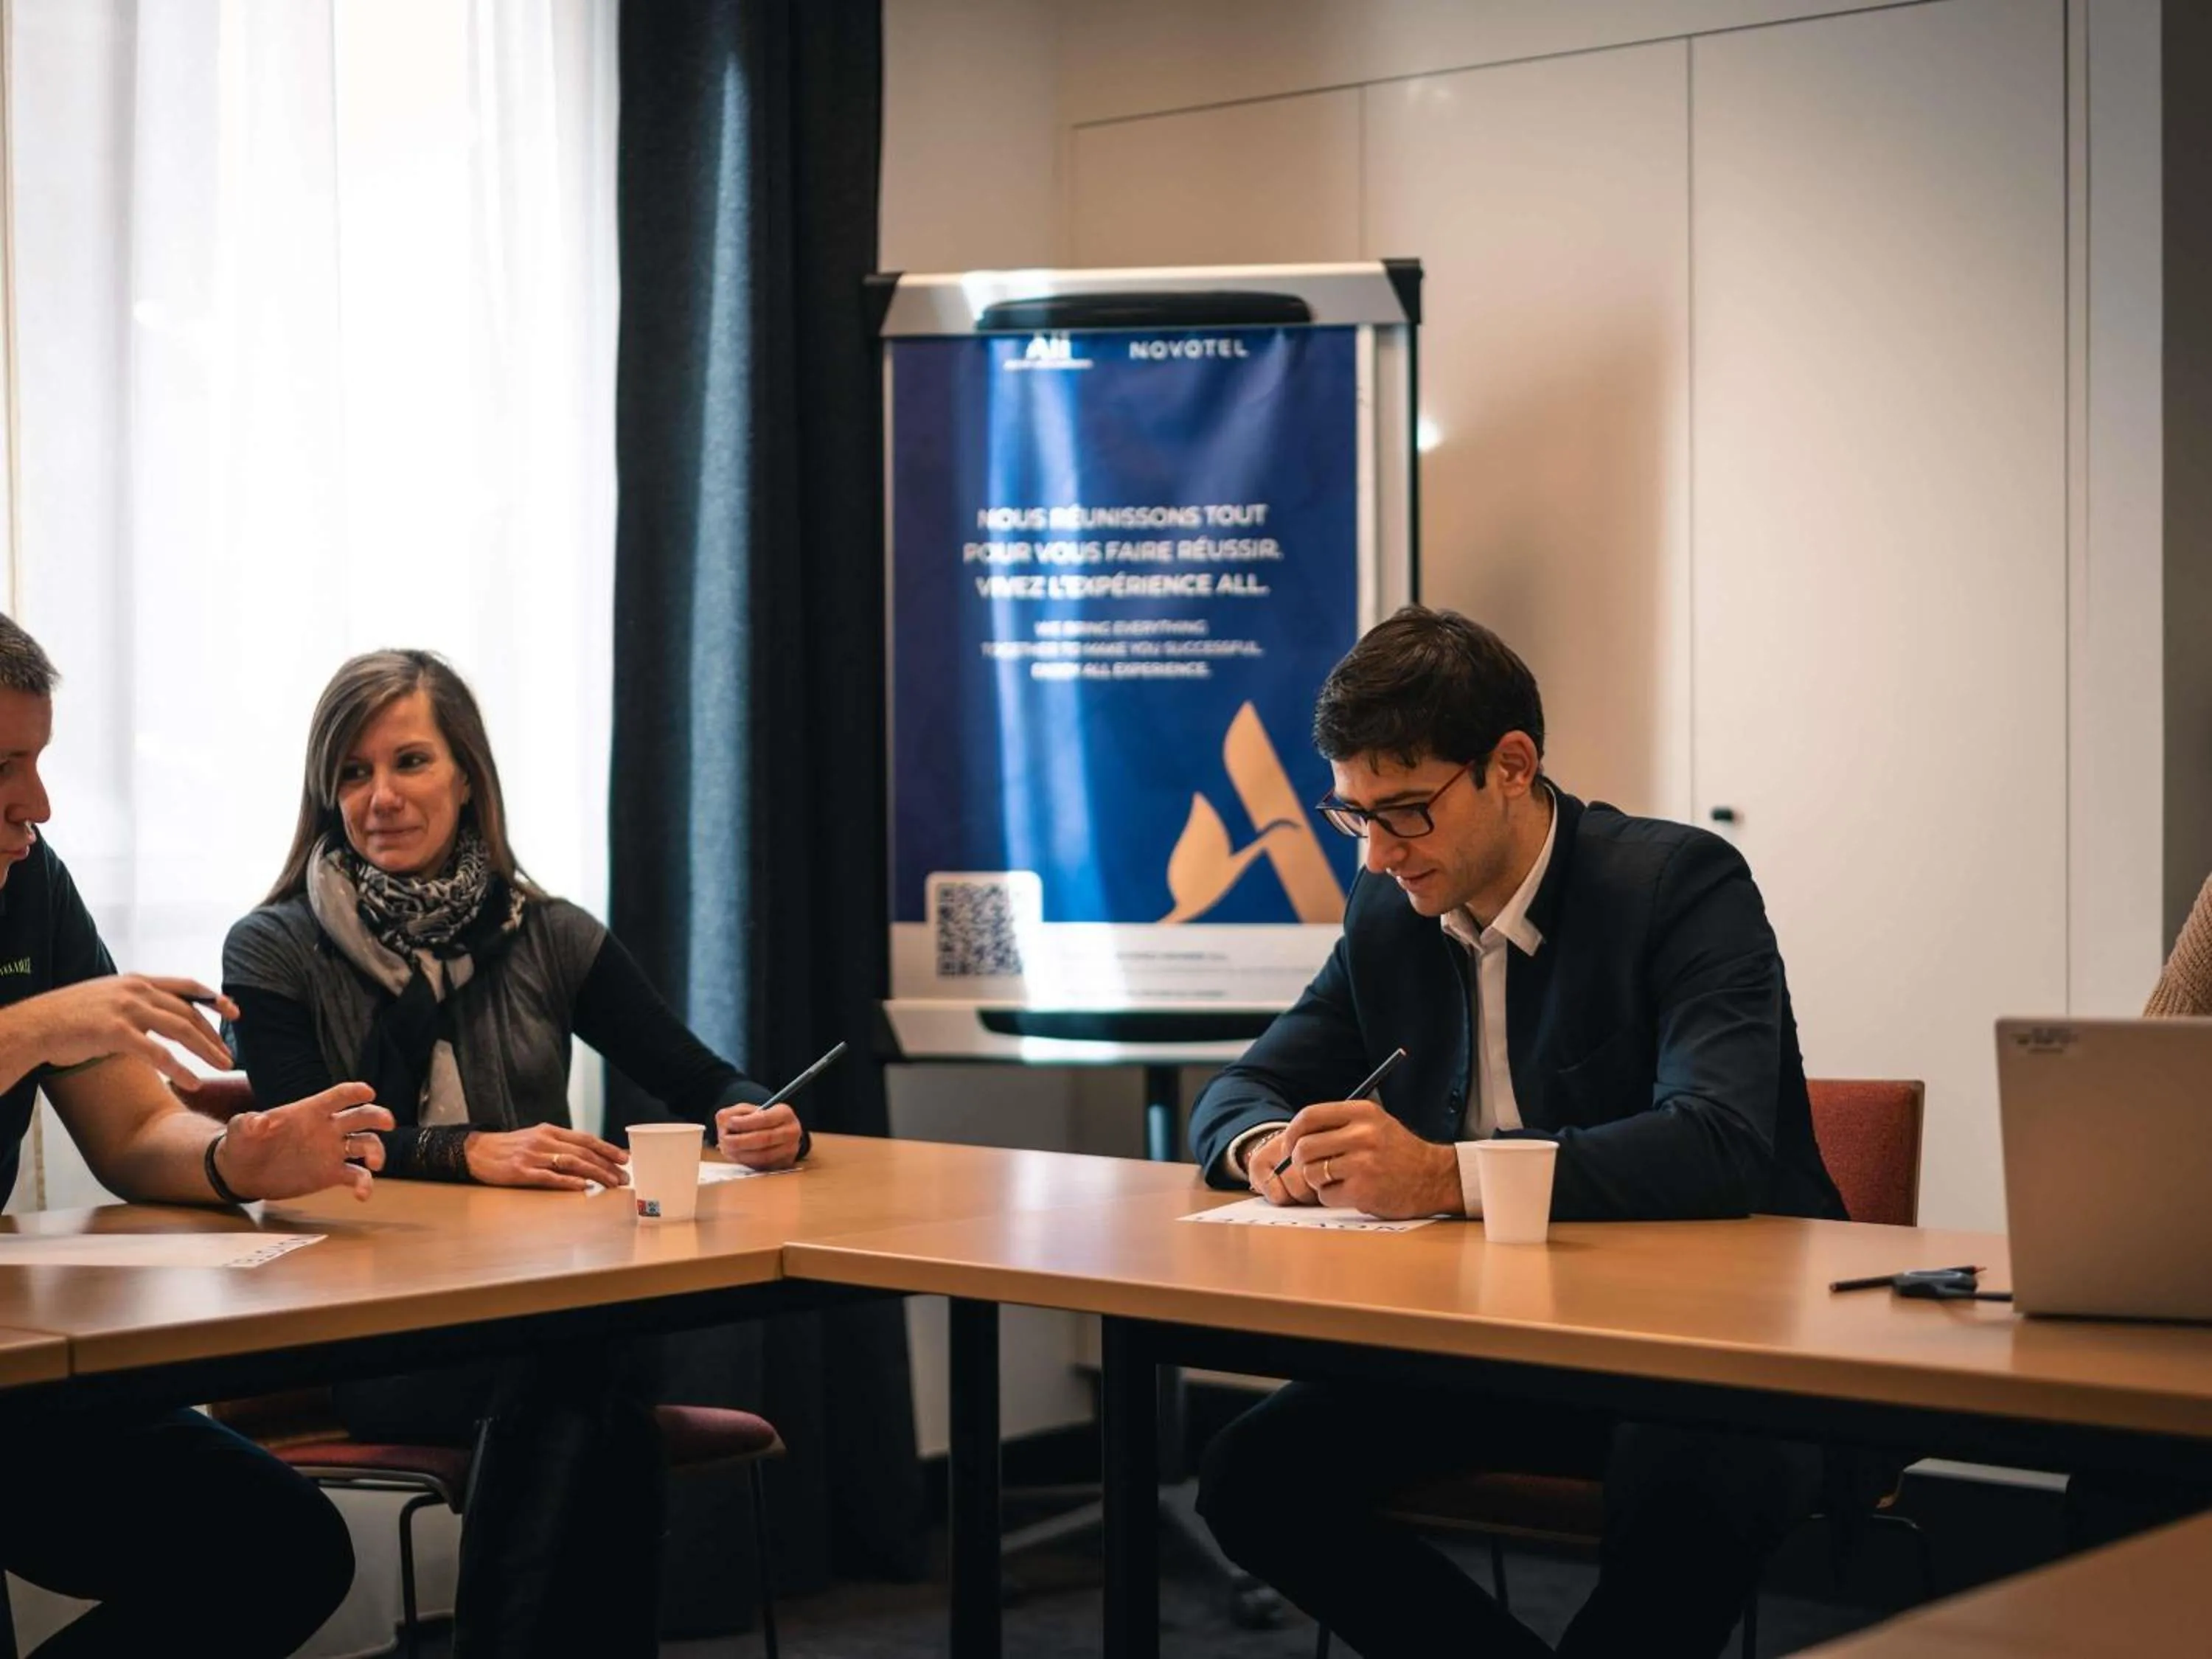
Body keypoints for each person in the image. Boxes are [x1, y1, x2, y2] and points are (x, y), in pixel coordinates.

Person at [1189, 606, 1847, 1659]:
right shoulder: (1391, 914)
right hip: (1508, 1347)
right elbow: (1238, 1088)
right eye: (1354, 817)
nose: (1376, 858)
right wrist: (1269, 1147)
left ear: (1510, 764)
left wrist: (1445, 1176)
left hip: (1721, 1351)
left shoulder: (1680, 885)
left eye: (1403, 812)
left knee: (1689, 1489)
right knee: (1251, 1475)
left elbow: (1719, 1141)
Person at [223, 648, 805, 1659]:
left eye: (409, 761)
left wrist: (763, 1116)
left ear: (467, 779)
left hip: (546, 1311)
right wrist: (468, 1152)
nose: (381, 797)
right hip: (374, 1326)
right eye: (353, 774)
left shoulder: (549, 934)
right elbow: (290, 1138)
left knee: (578, 1365)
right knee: (589, 1388)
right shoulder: (273, 948)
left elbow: (704, 1079)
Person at [0, 614, 393, 1656]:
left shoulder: (28, 877)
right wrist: (33, 1026)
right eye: (1, 766)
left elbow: (131, 1128)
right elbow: (57, 1031)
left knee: (280, 1546)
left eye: (35, 762)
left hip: (14, 1378)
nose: (33, 804)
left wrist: (233, 1157)